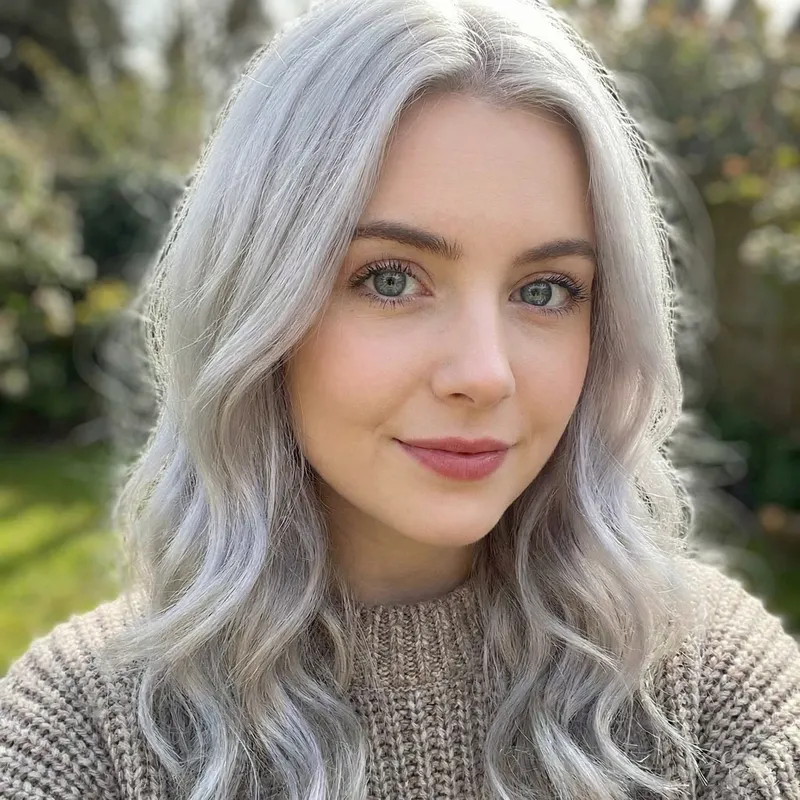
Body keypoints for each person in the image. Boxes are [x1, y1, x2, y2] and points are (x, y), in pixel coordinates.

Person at [2, 0, 799, 797]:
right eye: (391, 279)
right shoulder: (82, 738)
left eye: (547, 289)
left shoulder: (713, 696)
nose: (485, 374)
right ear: (255, 301)